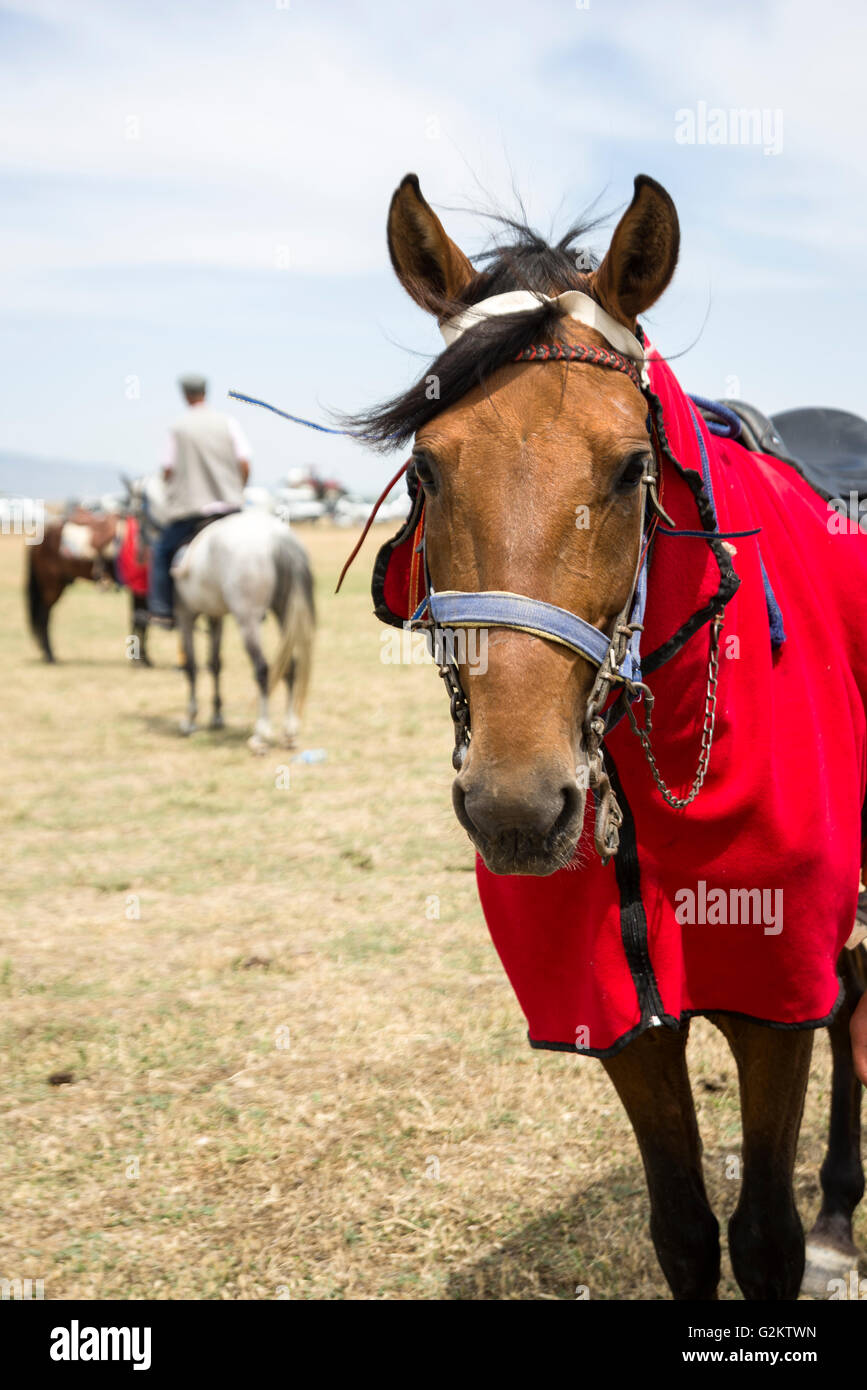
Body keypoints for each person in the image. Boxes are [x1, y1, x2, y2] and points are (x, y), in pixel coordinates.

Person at [148, 373, 251, 627]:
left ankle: (162, 610)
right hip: (230, 508)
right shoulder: (228, 422)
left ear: (185, 395)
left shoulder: (178, 428)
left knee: (161, 552)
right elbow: (245, 461)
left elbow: (168, 469)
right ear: (206, 392)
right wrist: (236, 489)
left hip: (194, 511)